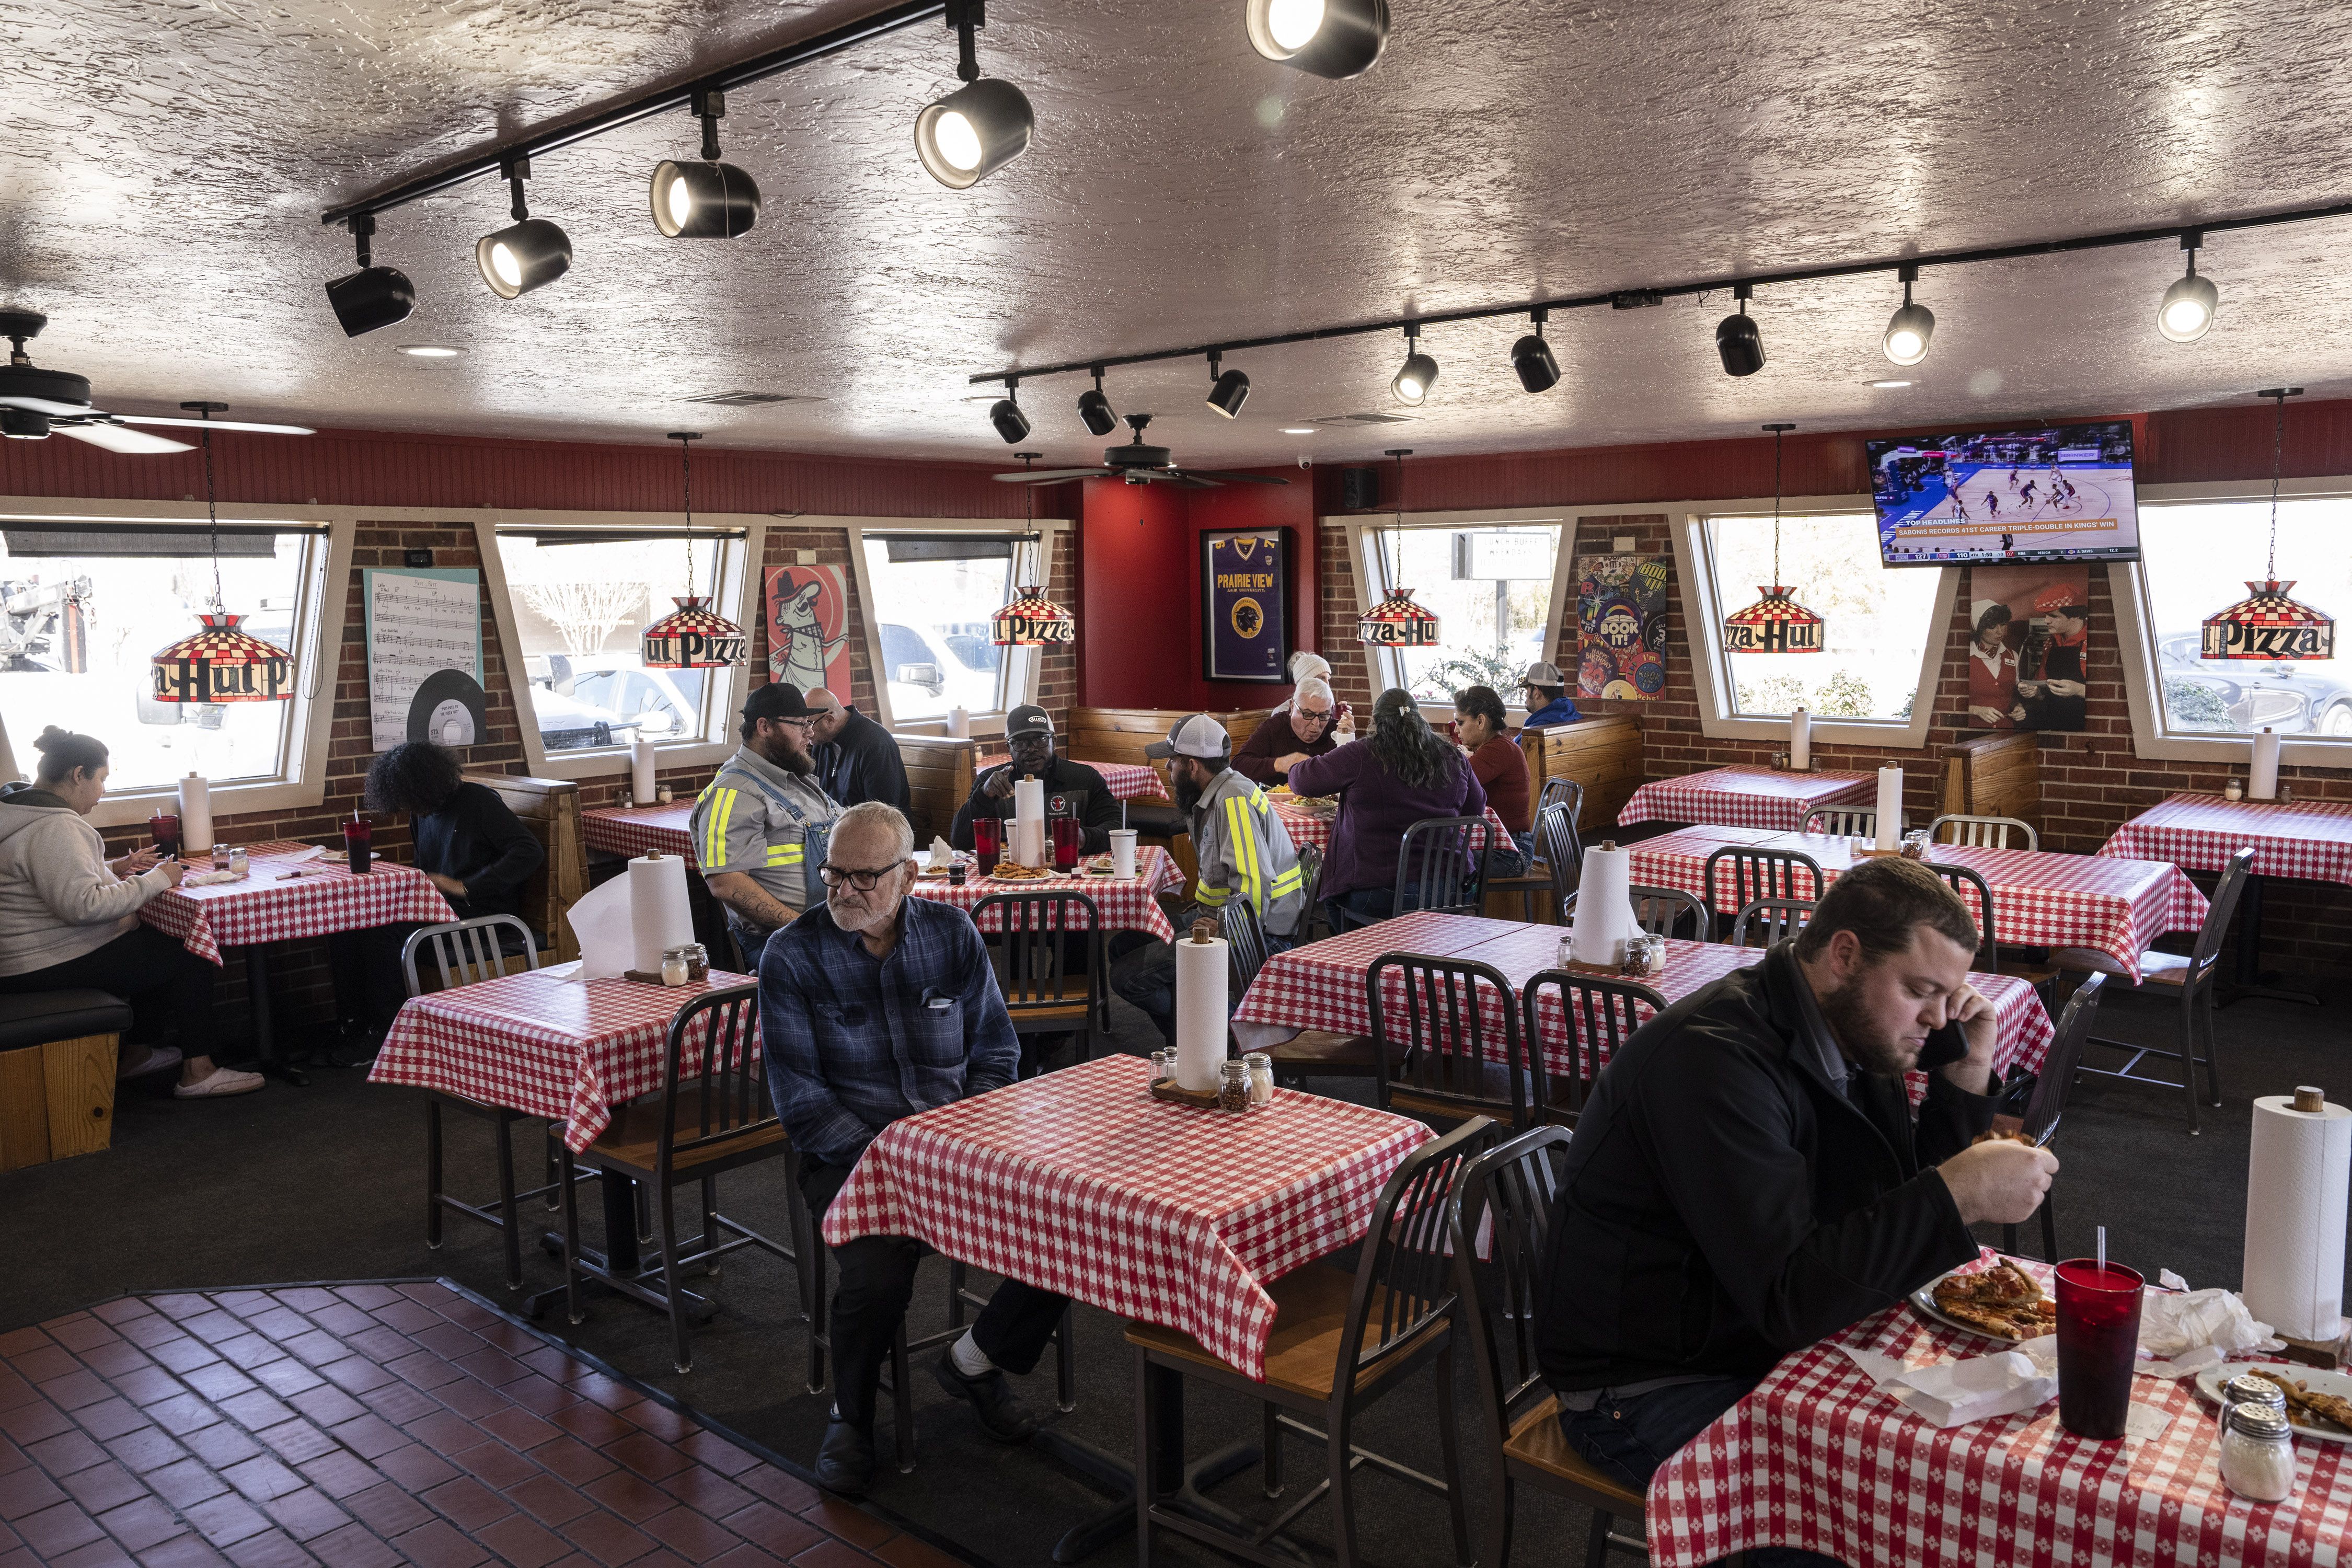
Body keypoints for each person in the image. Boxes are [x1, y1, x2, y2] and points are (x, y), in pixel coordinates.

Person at [1534, 858, 2055, 1551]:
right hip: (1642, 1385)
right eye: (1921, 990)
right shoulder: (1713, 1060)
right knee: (1885, 1524)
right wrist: (1957, 1192)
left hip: (1756, 1338)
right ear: (1845, 955)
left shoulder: (1852, 1030)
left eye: (1948, 997)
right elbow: (1790, 1297)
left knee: (1978, 1477)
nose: (1936, 1018)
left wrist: (1964, 1081)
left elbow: (1886, 1208)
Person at [762, 802, 1071, 1496]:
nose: (842, 891)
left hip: (955, 1149)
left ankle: (974, 1360)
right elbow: (803, 1104)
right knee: (876, 1275)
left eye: (863, 878)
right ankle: (851, 1412)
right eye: (833, 874)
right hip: (848, 1159)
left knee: (1071, 1224)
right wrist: (899, 1160)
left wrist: (962, 1138)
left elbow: (997, 1051)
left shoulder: (951, 933)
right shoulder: (792, 954)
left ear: (906, 876)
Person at [0, 728, 260, 1099]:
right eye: (102, 779)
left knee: (153, 944)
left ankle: (137, 1056)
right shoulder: (55, 825)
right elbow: (83, 906)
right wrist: (157, 879)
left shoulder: (17, 809)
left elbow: (45, 875)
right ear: (78, 775)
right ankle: (198, 1072)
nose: (103, 791)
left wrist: (112, 868)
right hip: (41, 964)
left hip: (17, 962)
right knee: (190, 953)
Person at [325, 743, 547, 1063]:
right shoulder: (423, 812)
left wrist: (464, 886)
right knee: (347, 923)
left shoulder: (479, 802)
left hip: (482, 916)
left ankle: (390, 1033)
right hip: (439, 909)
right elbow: (427, 868)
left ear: (425, 787)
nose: (408, 808)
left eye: (409, 799)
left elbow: (529, 852)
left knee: (380, 934)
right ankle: (357, 1025)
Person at [1110, 715, 1308, 1043]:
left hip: (1259, 936)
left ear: (1191, 765)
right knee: (1122, 945)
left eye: (1171, 761)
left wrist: (1228, 928)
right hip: (1218, 917)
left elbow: (1254, 883)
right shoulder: (1215, 793)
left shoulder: (1233, 800)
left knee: (1126, 978)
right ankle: (1199, 1028)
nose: (1167, 769)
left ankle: (1212, 1040)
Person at [1286, 689, 1488, 933]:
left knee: (1333, 900)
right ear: (1418, 718)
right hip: (1451, 889)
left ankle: (1362, 962)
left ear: (1376, 721)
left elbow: (1302, 782)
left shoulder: (1361, 754)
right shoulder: (1454, 757)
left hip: (1383, 892)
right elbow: (1476, 809)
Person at [691, 683, 846, 965]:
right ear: (764, 727)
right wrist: (805, 930)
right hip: (784, 946)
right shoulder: (734, 792)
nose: (810, 734)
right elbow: (726, 883)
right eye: (801, 725)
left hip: (831, 931)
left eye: (809, 724)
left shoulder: (794, 780)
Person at [948, 705, 1120, 856]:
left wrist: (1083, 837)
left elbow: (1119, 826)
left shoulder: (1084, 779)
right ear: (1009, 748)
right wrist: (984, 796)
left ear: (1054, 741)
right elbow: (960, 842)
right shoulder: (992, 783)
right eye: (1020, 743)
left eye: (1040, 740)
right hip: (1008, 877)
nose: (1030, 749)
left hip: (1071, 874)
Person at [1452, 685, 1532, 874]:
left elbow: (1453, 783)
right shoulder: (1498, 747)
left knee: (1438, 862)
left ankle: (1465, 905)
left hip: (1512, 852)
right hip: (1504, 845)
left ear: (1481, 721)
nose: (1456, 730)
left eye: (1461, 723)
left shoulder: (1499, 749)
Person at [805, 688, 910, 813]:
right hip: (836, 826)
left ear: (830, 720)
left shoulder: (876, 745)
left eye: (809, 724)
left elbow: (882, 814)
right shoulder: (821, 741)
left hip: (876, 828)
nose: (807, 732)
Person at [1231, 676, 1340, 786]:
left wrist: (1349, 740)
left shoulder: (1336, 730)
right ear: (1292, 707)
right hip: (1274, 801)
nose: (1316, 723)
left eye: (1324, 715)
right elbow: (1237, 766)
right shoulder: (1275, 726)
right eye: (1308, 714)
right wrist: (1279, 764)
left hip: (1325, 800)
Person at [1269, 652, 1355, 734]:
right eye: (1321, 679)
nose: (1327, 685)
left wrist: (1342, 726)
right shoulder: (1282, 712)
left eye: (1328, 679)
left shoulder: (1327, 710)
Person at [1966, 601, 2020, 729]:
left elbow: (2012, 695)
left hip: (2005, 732)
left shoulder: (2013, 656)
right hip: (1974, 733)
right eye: (1992, 627)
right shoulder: (1964, 656)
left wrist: (2019, 707)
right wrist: (1975, 710)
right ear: (1978, 628)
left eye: (2003, 625)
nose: (2000, 632)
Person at [1519, 661, 1582, 729]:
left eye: (1527, 690)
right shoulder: (1576, 719)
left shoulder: (1536, 731)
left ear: (1536, 692)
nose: (1526, 695)